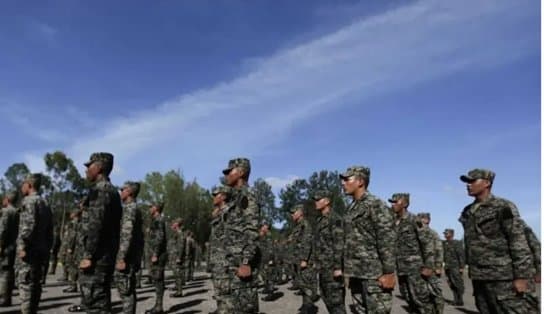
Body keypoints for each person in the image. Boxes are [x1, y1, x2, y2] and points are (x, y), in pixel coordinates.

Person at [459, 168, 539, 313]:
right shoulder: (467, 211)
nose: (468, 185)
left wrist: (521, 276)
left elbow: (518, 240)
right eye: (467, 182)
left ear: (487, 183)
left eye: (472, 181)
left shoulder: (503, 206)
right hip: (480, 277)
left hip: (504, 277)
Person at [340, 166, 395, 314]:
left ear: (360, 182)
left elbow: (387, 240)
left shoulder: (375, 205)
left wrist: (389, 273)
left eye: (347, 179)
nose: (343, 183)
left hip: (374, 276)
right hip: (357, 273)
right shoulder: (351, 208)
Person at [79, 152, 122, 313]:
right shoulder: (111, 190)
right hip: (104, 254)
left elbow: (96, 225)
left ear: (99, 168)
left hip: (98, 257)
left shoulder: (101, 190)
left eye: (89, 166)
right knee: (100, 300)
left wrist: (88, 255)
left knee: (95, 303)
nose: (86, 170)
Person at [220, 158, 261, 313]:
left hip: (242, 265)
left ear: (241, 172)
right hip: (232, 264)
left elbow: (251, 230)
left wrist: (246, 261)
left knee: (245, 308)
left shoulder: (247, 196)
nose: (227, 175)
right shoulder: (234, 199)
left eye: (230, 171)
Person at [389, 193, 436, 314]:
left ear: (404, 204)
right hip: (401, 269)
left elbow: (427, 243)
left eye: (396, 202)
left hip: (415, 269)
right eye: (392, 202)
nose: (392, 205)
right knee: (408, 298)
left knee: (421, 300)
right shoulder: (393, 222)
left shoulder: (414, 220)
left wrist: (429, 265)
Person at [16, 173, 54, 314]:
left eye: (23, 184)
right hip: (41, 251)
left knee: (25, 286)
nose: (22, 187)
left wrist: (22, 246)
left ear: (29, 185)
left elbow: (28, 225)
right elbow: (50, 229)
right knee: (35, 285)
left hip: (29, 251)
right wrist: (47, 248)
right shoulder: (45, 202)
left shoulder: (29, 201)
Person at [313, 190, 346, 314]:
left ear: (327, 201)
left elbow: (338, 243)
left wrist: (338, 267)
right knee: (327, 299)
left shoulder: (335, 218)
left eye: (318, 199)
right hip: (323, 269)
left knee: (337, 304)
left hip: (333, 269)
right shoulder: (320, 220)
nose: (315, 202)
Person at [115, 181, 144, 314]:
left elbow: (127, 234)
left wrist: (121, 257)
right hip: (131, 256)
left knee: (126, 291)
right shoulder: (133, 208)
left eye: (123, 189)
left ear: (130, 192)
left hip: (127, 258)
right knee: (128, 289)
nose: (121, 192)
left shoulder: (130, 208)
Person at [145, 202, 168, 314]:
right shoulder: (155, 220)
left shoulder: (159, 220)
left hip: (158, 255)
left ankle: (159, 307)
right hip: (155, 254)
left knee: (158, 280)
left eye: (151, 206)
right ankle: (158, 306)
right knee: (157, 280)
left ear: (156, 208)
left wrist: (155, 254)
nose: (149, 208)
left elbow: (160, 238)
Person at [0, 191, 19, 307]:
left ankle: (4, 298)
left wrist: (0, 245)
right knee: (9, 272)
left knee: (4, 273)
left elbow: (3, 230)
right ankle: (7, 296)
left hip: (5, 246)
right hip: (12, 246)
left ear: (7, 199)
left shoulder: (7, 211)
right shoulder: (17, 212)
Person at [442, 228, 465, 306]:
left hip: (455, 266)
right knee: (451, 283)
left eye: (446, 233)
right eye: (444, 233)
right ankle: (455, 299)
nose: (445, 235)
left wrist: (461, 267)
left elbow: (461, 255)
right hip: (448, 267)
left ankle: (460, 300)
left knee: (458, 283)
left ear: (451, 234)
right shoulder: (444, 243)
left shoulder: (457, 243)